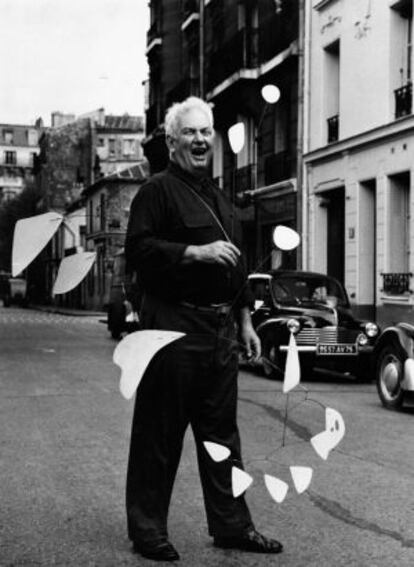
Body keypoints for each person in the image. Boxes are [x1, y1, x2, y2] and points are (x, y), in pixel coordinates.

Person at [124, 96, 283, 562]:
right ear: (172, 141)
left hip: (219, 331)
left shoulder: (222, 202)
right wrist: (193, 253)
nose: (199, 140)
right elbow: (139, 250)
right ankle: (147, 530)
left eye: (204, 132)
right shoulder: (156, 191)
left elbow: (236, 272)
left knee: (222, 438)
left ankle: (232, 526)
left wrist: (246, 320)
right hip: (173, 325)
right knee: (160, 433)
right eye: (189, 133)